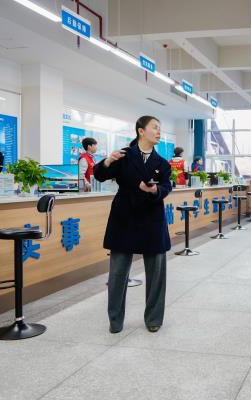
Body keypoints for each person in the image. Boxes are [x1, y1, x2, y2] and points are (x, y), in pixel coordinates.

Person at [93, 115, 172, 334]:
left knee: (156, 274)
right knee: (118, 274)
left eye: (160, 128)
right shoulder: (123, 156)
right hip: (124, 217)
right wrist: (107, 161)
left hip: (152, 218)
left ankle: (154, 319)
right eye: (155, 127)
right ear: (141, 131)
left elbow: (167, 187)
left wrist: (155, 190)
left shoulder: (162, 163)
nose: (159, 132)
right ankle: (115, 320)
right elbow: (99, 175)